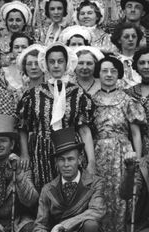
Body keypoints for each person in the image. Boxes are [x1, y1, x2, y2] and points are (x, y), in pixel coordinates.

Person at [21, 128, 105, 232]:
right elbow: (39, 225)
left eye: (70, 159)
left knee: (91, 225)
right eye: (62, 160)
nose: (66, 165)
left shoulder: (95, 183)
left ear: (79, 159)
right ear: (56, 163)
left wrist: (61, 226)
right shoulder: (48, 189)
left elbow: (97, 211)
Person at [89, 56, 145, 232]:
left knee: (121, 207)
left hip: (123, 155)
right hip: (100, 154)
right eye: (104, 71)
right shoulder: (91, 100)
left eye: (113, 70)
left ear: (119, 73)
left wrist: (137, 159)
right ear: (98, 74)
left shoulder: (127, 100)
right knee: (102, 207)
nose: (109, 74)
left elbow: (135, 133)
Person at [17, 44, 95, 189]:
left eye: (60, 61)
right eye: (52, 62)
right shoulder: (33, 94)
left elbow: (84, 130)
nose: (56, 65)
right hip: (41, 150)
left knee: (72, 191)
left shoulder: (78, 94)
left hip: (70, 148)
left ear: (67, 63)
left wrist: (91, 160)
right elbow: (23, 127)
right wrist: (24, 154)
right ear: (46, 64)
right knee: (45, 191)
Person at [0, 0, 34, 68]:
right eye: (11, 20)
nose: (14, 23)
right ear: (6, 22)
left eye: (18, 20)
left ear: (24, 22)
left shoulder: (31, 41)